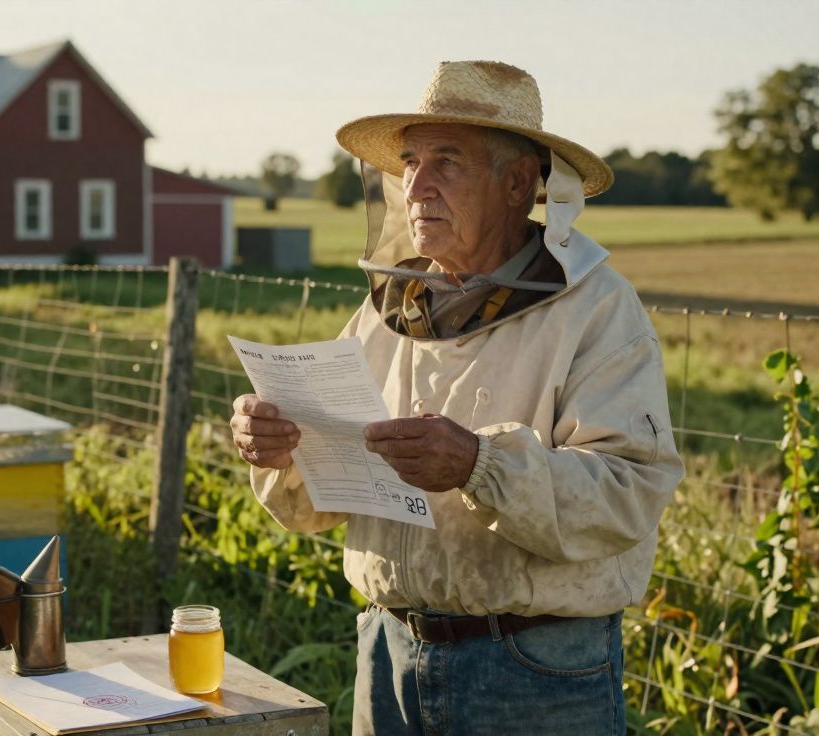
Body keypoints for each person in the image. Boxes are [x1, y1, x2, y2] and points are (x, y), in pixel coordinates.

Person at [229, 61, 685, 735]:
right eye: (411, 161)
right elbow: (320, 500)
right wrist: (281, 448)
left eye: (448, 161)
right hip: (387, 656)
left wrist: (479, 464)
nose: (416, 183)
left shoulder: (595, 308)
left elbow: (628, 492)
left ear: (518, 183)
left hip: (533, 671)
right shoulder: (389, 306)